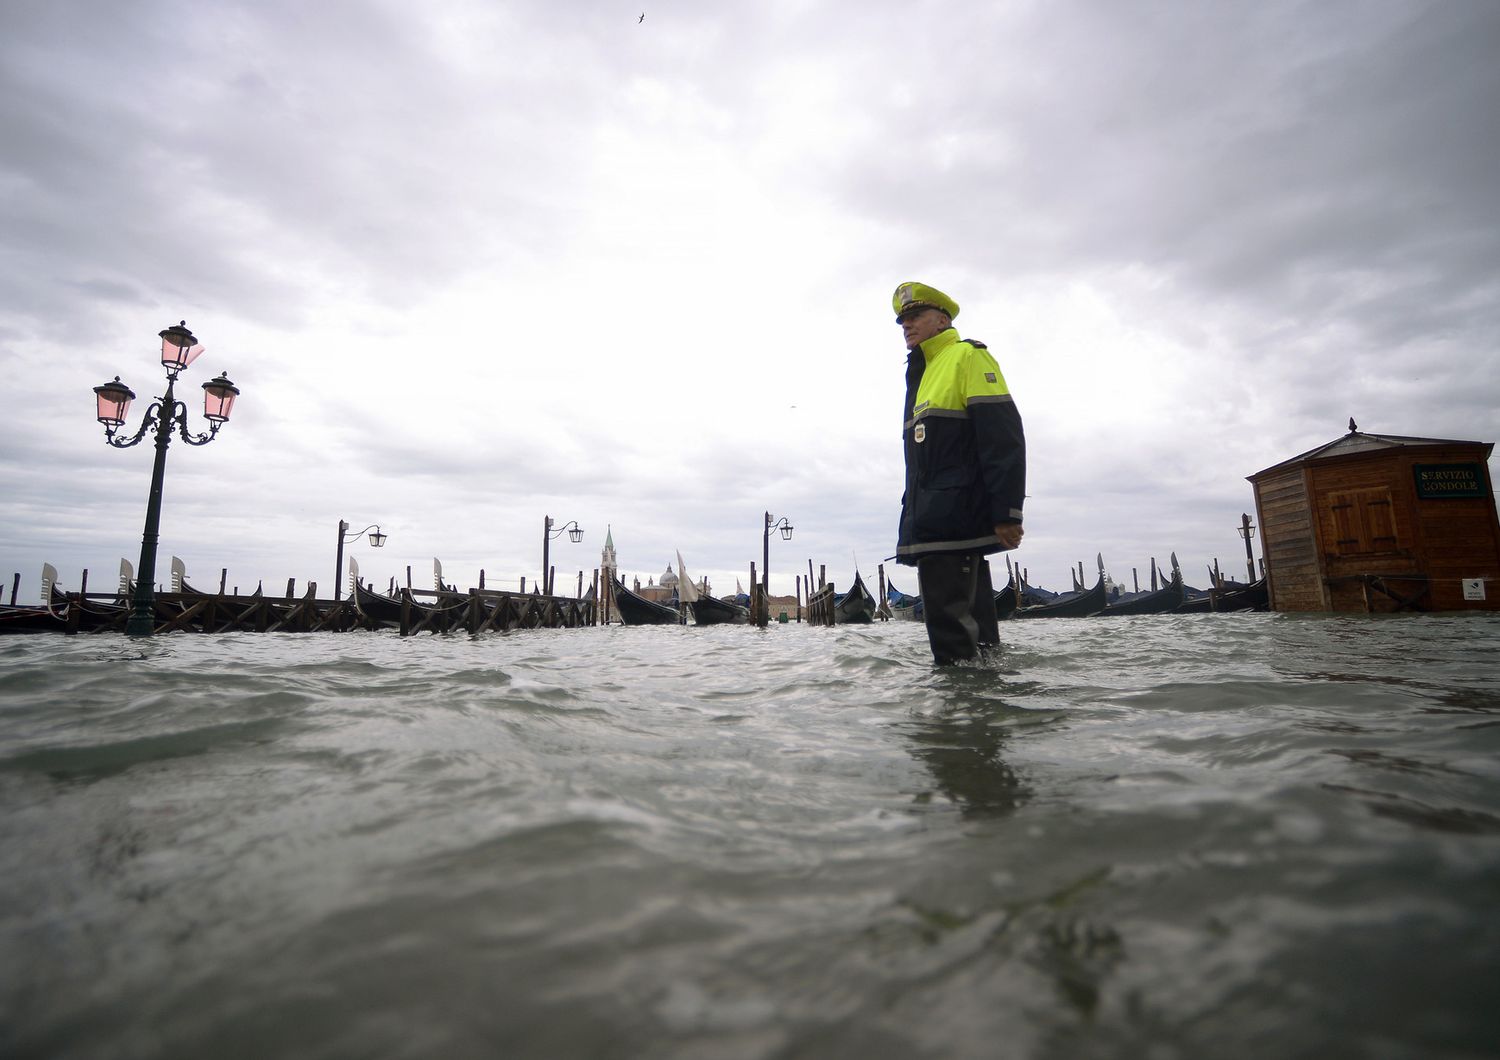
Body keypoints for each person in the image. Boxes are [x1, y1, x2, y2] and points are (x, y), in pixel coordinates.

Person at [893, 281, 1026, 664]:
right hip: (936, 519)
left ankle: (956, 718)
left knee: (952, 645)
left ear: (942, 320)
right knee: (978, 644)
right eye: (902, 320)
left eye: (915, 316)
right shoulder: (922, 371)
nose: (907, 325)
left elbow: (1003, 437)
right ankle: (982, 712)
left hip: (954, 521)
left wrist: (1006, 512)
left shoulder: (966, 357)